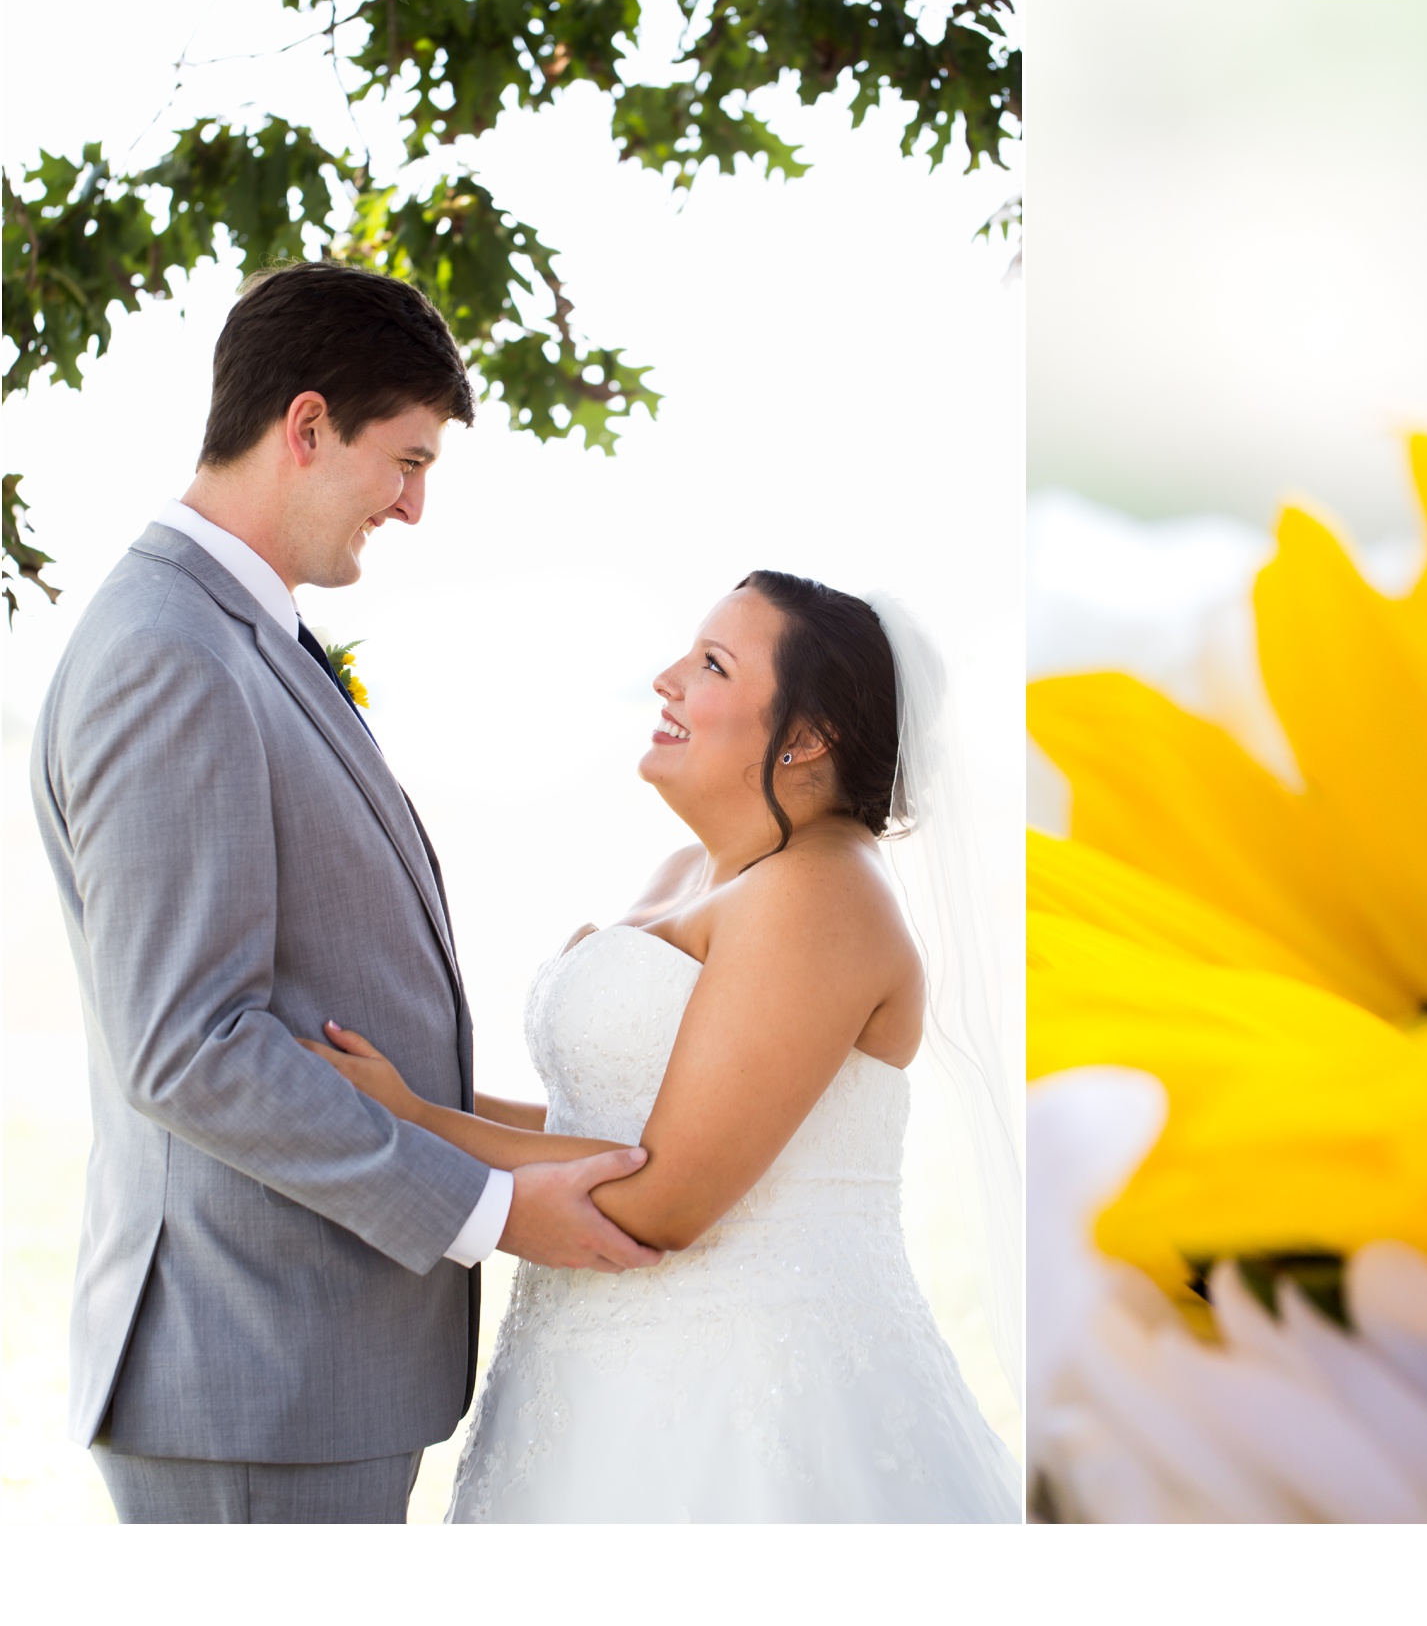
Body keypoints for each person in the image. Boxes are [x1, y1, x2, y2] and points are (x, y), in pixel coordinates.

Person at [30, 262, 662, 1525]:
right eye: (406, 461)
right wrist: (485, 1210)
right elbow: (191, 1049)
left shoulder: (241, 630)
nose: (415, 508)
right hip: (252, 1372)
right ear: (307, 425)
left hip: (301, 1370)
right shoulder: (171, 653)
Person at [306, 571, 1023, 1521]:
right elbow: (593, 1132)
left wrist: (417, 1123)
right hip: (588, 1377)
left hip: (742, 1393)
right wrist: (421, 1100)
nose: (666, 679)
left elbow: (665, 1197)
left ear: (807, 737)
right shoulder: (692, 871)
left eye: (712, 664)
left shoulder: (825, 894)